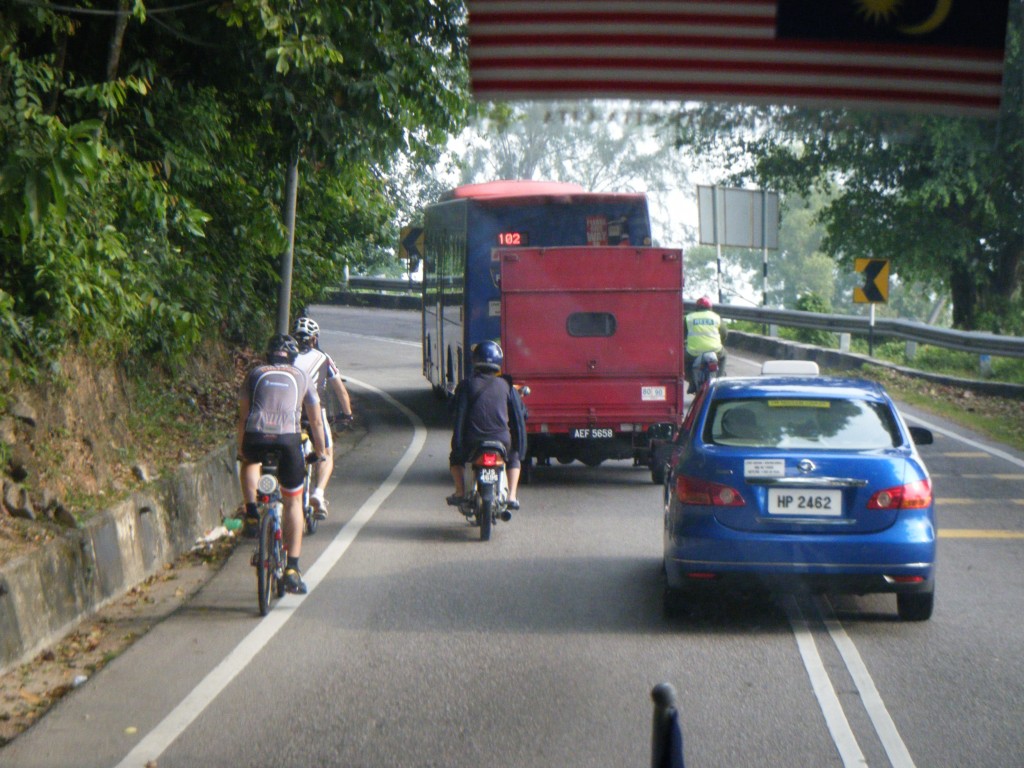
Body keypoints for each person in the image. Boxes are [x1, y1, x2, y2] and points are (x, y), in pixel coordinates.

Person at [237, 334, 327, 595]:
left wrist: (242, 450)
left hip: (255, 435)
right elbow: (317, 421)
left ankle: (253, 514)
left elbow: (243, 418)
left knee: (250, 461)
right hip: (288, 441)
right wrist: (320, 452)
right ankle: (292, 569)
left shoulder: (254, 375)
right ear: (293, 357)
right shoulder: (301, 377)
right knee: (293, 500)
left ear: (269, 355)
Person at [448, 340, 527, 511]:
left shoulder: (466, 385)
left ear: (475, 360)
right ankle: (512, 496)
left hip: (472, 441)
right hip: (502, 440)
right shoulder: (507, 386)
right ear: (498, 363)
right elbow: (521, 414)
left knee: (455, 457)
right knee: (513, 456)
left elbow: (454, 410)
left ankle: (460, 492)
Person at [291, 315, 354, 519]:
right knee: (325, 452)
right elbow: (341, 391)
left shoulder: (285, 356)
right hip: (314, 413)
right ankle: (318, 493)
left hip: (288, 413)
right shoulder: (323, 358)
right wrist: (347, 414)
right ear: (314, 338)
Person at [684, 296, 727, 394]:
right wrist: (721, 341)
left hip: (693, 352)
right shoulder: (716, 317)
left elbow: (681, 334)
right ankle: (720, 380)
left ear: (696, 307)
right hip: (715, 350)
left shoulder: (689, 318)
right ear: (710, 308)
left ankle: (692, 382)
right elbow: (724, 333)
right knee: (724, 356)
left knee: (681, 362)